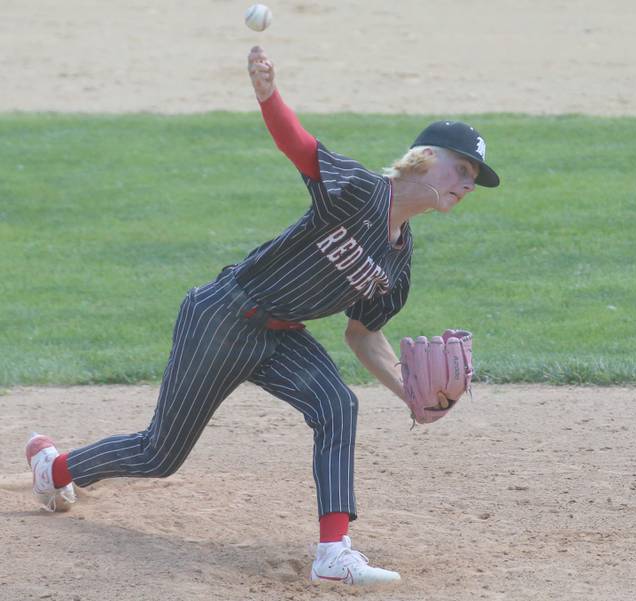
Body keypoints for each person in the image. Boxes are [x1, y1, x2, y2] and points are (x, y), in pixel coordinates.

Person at [25, 45, 500, 586]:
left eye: (473, 178)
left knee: (337, 404)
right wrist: (268, 94)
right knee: (160, 454)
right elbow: (299, 147)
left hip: (280, 335)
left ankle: (333, 553)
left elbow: (364, 333)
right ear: (425, 158)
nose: (466, 184)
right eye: (461, 168)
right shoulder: (360, 191)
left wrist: (411, 397)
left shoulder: (399, 260)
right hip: (223, 316)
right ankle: (54, 470)